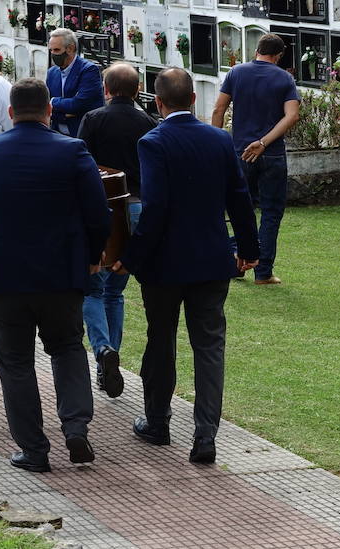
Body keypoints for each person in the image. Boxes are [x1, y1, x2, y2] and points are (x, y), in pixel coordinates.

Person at [0, 78, 110, 473]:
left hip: (2, 274)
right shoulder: (73, 151)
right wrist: (94, 253)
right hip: (60, 272)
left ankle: (33, 449)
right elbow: (98, 213)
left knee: (15, 364)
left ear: (10, 113)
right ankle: (76, 426)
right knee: (67, 347)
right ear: (49, 110)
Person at [116, 67, 259, 465]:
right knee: (209, 346)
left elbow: (156, 209)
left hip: (165, 263)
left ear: (157, 103)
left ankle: (158, 422)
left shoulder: (153, 141)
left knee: (161, 339)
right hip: (212, 259)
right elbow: (240, 198)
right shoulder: (218, 139)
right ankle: (205, 435)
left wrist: (131, 258)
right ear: (194, 99)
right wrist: (249, 248)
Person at [76, 62, 157, 398]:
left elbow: (79, 164)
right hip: (137, 207)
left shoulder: (94, 119)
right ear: (138, 90)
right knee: (115, 292)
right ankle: (111, 358)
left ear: (106, 90)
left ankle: (103, 351)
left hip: (103, 210)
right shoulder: (149, 122)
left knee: (92, 289)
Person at [211, 33, 301, 285]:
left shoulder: (236, 73)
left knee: (241, 210)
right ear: (279, 56)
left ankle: (237, 263)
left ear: (256, 51)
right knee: (271, 213)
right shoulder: (285, 78)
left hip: (239, 152)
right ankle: (263, 272)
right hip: (271, 154)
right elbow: (291, 116)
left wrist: (220, 143)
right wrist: (263, 142)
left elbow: (219, 109)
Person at [45, 28, 103, 136]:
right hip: (57, 135)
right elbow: (46, 108)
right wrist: (64, 114)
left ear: (70, 49)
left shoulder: (88, 70)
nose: (53, 54)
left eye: (56, 50)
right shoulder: (52, 72)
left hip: (82, 136)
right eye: (51, 50)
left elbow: (79, 104)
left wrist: (53, 102)